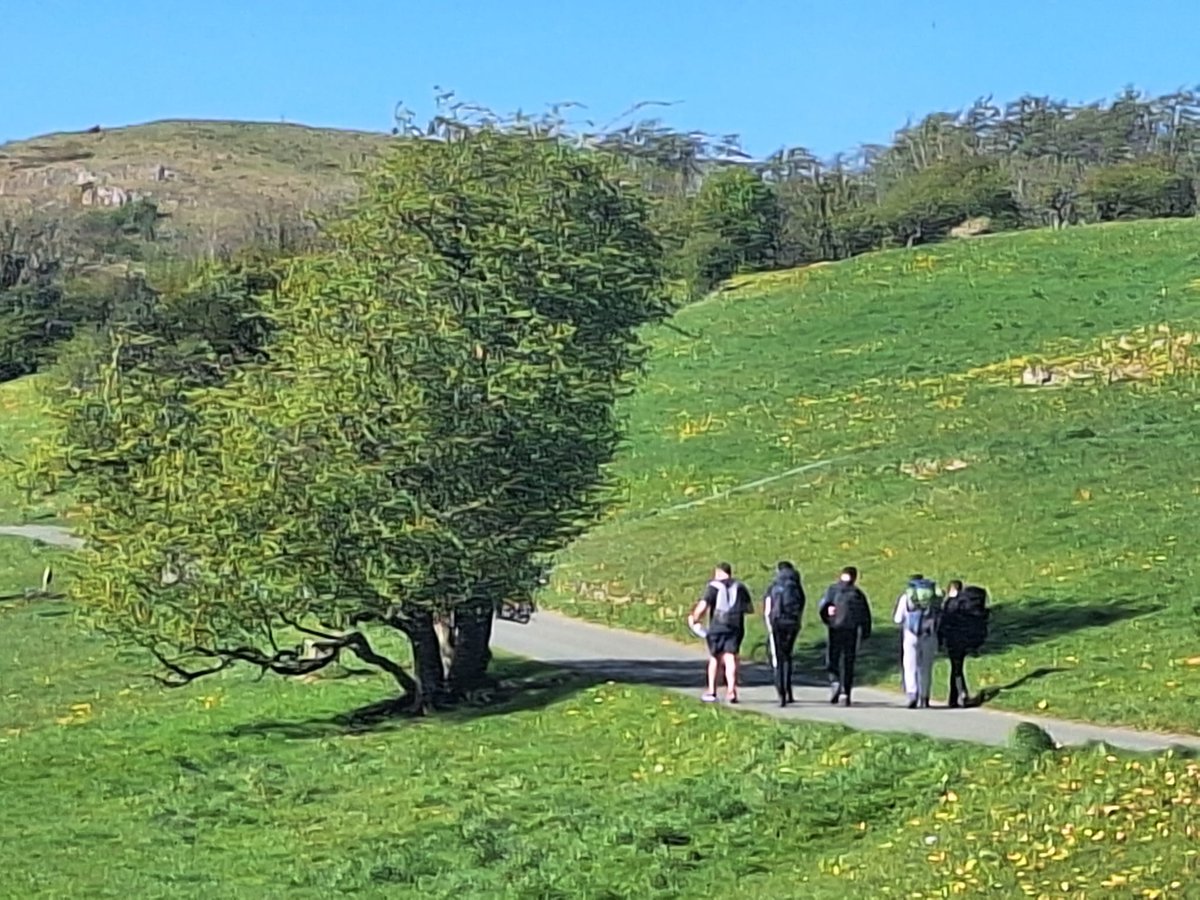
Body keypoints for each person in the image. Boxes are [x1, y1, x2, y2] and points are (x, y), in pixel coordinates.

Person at [686, 562, 753, 704]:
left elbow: (703, 606)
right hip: (736, 627)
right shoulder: (740, 587)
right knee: (731, 657)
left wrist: (695, 618)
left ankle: (712, 691)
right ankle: (731, 690)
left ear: (718, 572)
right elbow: (749, 609)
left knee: (715, 658)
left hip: (718, 627)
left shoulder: (714, 587)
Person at [818, 565, 872, 707]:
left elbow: (823, 608)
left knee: (833, 658)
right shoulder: (858, 594)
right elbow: (865, 615)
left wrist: (827, 619)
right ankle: (845, 693)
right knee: (848, 662)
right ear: (854, 577)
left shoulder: (833, 590)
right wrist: (866, 633)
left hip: (835, 629)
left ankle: (834, 681)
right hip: (851, 631)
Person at [938, 579, 990, 708]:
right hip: (965, 638)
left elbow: (944, 622)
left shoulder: (951, 603)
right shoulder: (966, 603)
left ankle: (960, 697)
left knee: (956, 668)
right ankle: (955, 697)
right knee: (957, 667)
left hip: (953, 639)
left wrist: (940, 639)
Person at [893, 574, 942, 709]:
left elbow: (897, 619)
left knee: (910, 666)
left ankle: (912, 695)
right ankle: (925, 697)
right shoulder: (933, 598)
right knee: (926, 667)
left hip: (910, 635)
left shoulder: (906, 598)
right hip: (929, 635)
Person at [762, 560, 806, 707]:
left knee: (778, 658)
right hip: (792, 623)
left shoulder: (774, 586)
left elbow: (768, 609)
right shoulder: (796, 586)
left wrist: (769, 624)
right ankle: (789, 691)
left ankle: (781, 692)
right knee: (788, 656)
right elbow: (801, 605)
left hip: (777, 623)